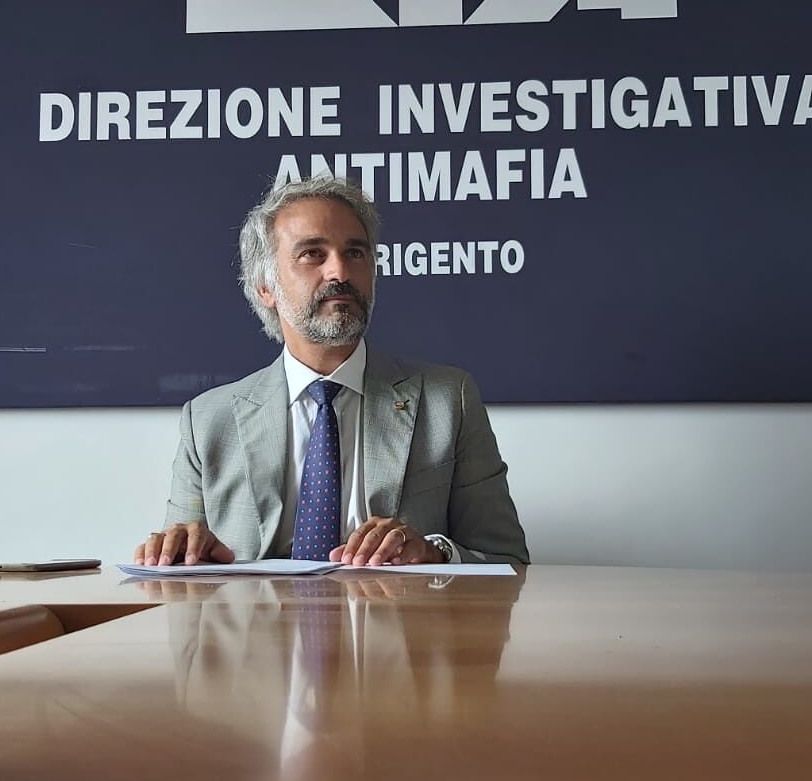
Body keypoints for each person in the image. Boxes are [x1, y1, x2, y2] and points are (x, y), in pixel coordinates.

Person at [134, 175, 528, 567]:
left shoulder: (448, 401)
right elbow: (178, 567)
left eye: (355, 253)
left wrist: (435, 553)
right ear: (265, 287)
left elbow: (508, 561)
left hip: (398, 609)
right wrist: (177, 552)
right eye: (312, 254)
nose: (340, 272)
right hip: (256, 610)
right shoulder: (208, 421)